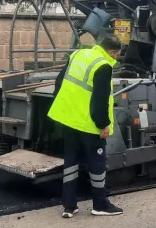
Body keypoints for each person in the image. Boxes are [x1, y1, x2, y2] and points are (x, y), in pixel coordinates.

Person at [48, 34, 124, 218]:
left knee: (71, 161)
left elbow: (59, 83)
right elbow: (100, 101)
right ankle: (100, 204)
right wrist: (103, 125)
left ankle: (69, 205)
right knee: (97, 164)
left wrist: (64, 108)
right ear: (112, 52)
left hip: (68, 119)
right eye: (117, 55)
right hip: (88, 124)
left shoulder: (78, 54)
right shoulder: (103, 66)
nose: (116, 58)